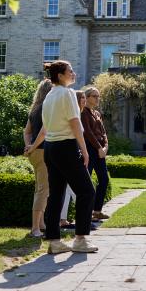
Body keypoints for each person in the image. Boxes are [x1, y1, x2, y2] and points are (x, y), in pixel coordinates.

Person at [41, 60, 97, 254]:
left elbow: (46, 126)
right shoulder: (68, 93)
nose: (73, 73)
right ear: (60, 75)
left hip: (50, 148)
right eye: (70, 71)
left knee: (56, 194)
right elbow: (75, 122)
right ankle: (80, 239)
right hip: (66, 146)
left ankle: (54, 242)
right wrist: (85, 150)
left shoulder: (49, 96)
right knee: (87, 192)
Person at [22, 79, 53, 238]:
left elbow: (26, 132)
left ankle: (41, 224)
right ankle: (35, 228)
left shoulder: (34, 109)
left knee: (40, 188)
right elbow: (44, 133)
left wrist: (28, 146)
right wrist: (32, 147)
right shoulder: (46, 108)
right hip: (41, 151)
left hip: (34, 153)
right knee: (43, 190)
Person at [57, 91, 88, 228]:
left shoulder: (79, 113)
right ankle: (82, 221)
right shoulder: (74, 113)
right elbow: (76, 132)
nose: (84, 100)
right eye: (82, 98)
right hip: (70, 152)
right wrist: (84, 151)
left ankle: (63, 219)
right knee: (82, 190)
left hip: (72, 151)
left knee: (69, 189)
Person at [82, 86, 110, 221]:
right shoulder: (83, 113)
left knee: (104, 179)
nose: (97, 98)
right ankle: (85, 213)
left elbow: (103, 133)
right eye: (94, 96)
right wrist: (99, 148)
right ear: (86, 98)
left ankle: (97, 211)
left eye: (98, 96)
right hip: (90, 149)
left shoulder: (97, 113)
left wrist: (105, 147)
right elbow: (88, 132)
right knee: (86, 181)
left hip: (100, 151)